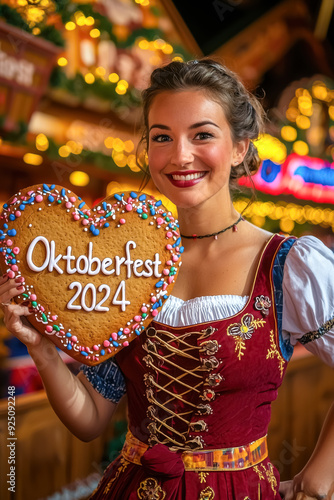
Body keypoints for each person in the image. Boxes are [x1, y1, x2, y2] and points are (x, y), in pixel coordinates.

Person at [1, 59, 334, 500]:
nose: (180, 155)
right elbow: (90, 419)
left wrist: (320, 478)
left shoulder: (289, 265)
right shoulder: (126, 265)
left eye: (202, 135)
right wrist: (41, 348)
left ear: (239, 147)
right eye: (162, 137)